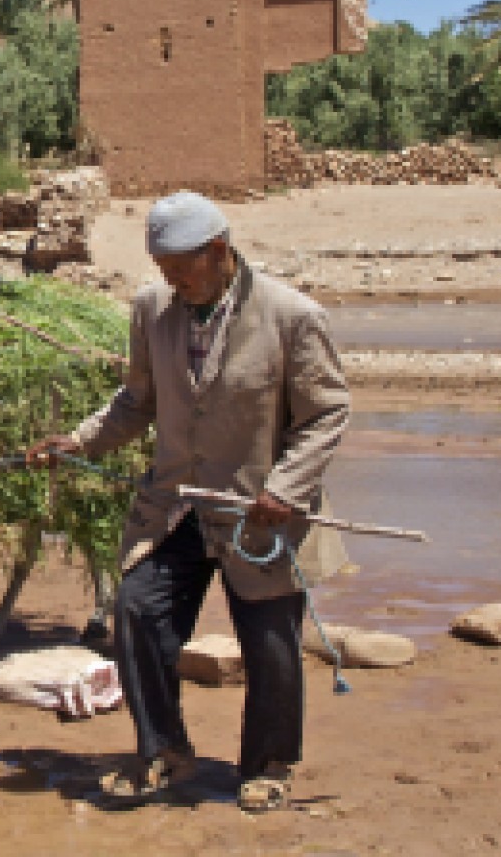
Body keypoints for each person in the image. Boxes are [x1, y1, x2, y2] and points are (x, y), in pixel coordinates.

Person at [27, 190, 349, 813]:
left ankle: (270, 764)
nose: (171, 283)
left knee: (270, 643)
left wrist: (285, 490)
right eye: (163, 270)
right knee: (138, 610)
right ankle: (164, 751)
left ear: (219, 252)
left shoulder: (291, 316)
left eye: (181, 269)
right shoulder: (154, 309)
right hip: (176, 504)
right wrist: (79, 440)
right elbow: (137, 402)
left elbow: (326, 414)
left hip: (259, 513)